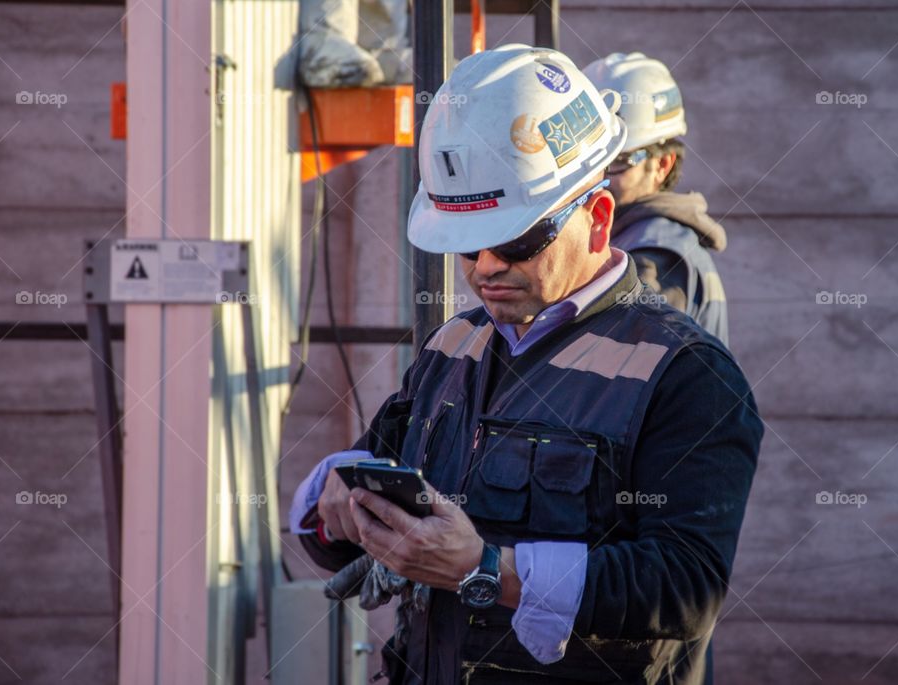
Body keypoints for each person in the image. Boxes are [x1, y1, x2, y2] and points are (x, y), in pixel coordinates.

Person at [291, 44, 762, 685]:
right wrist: (336, 502)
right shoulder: (452, 346)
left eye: (514, 241)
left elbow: (685, 587)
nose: (486, 267)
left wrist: (487, 570)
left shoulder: (687, 374)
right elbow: (346, 501)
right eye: (464, 245)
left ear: (597, 221)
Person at [584, 53, 730, 345]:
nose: (601, 177)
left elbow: (625, 364)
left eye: (618, 161)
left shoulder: (654, 255)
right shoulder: (634, 237)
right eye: (591, 161)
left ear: (662, 165)